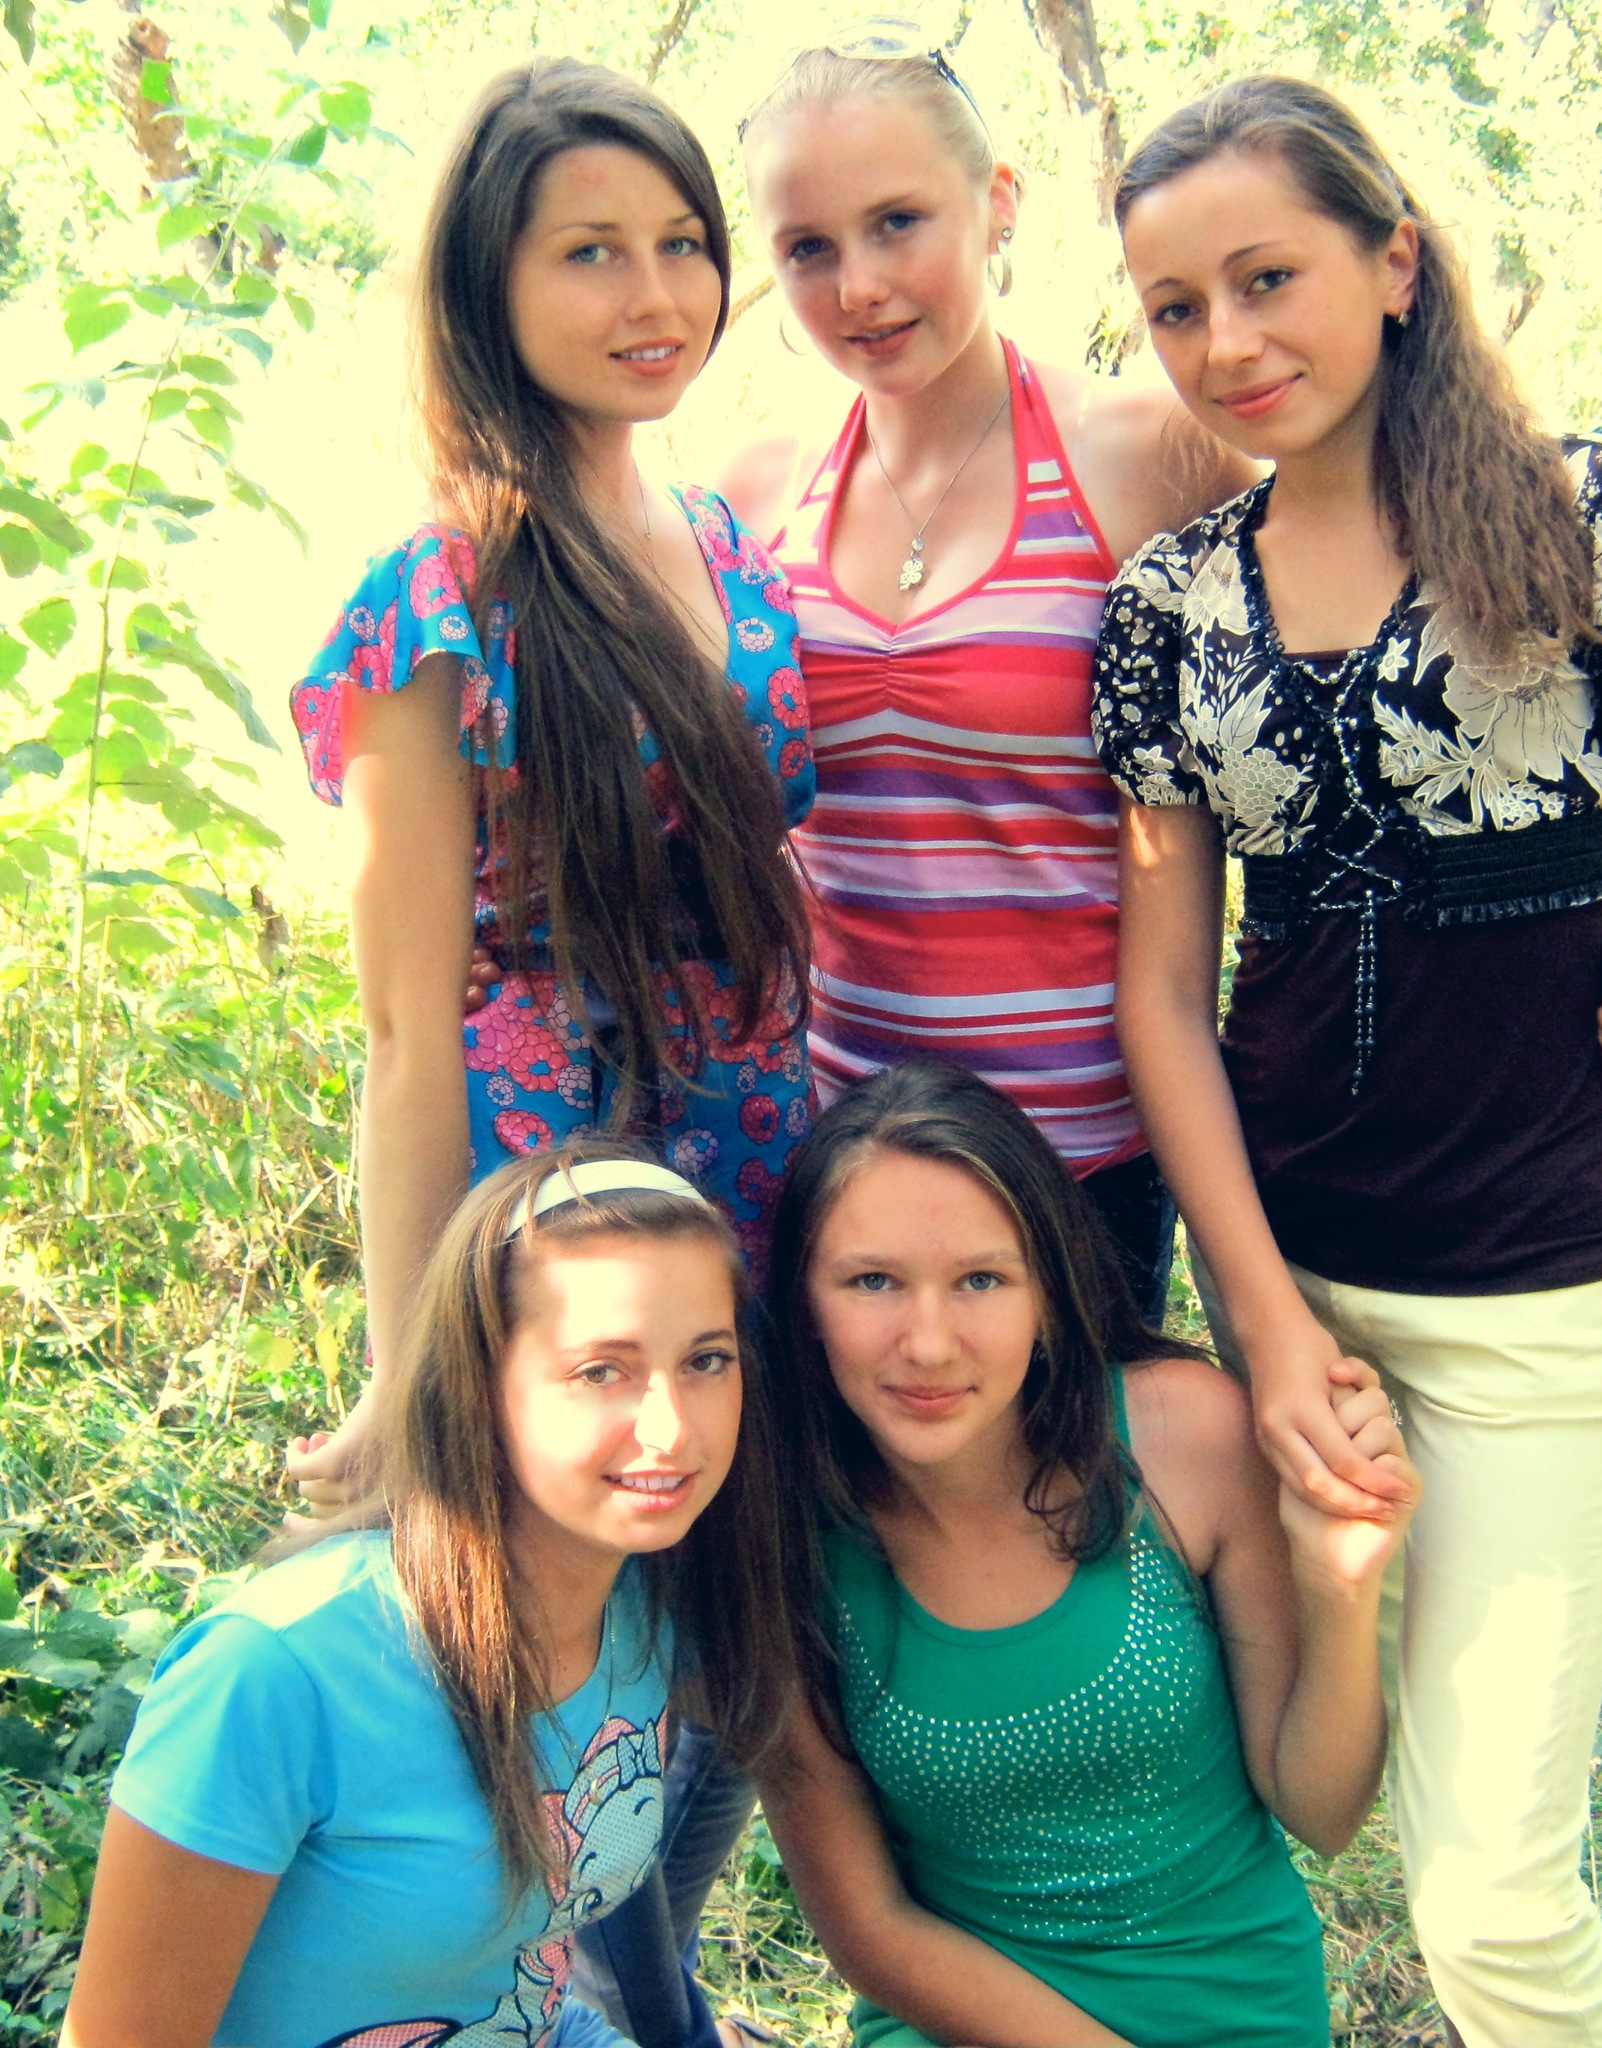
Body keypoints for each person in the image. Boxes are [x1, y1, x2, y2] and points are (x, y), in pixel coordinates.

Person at [1092, 76, 1602, 2048]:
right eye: (1174, 308)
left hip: (1533, 1298)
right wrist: (1259, 1320)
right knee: (1316, 1799)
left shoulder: (1589, 522)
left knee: (1490, 1889)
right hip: (1294, 1280)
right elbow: (1165, 997)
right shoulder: (1169, 609)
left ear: (1394, 260)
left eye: (1268, 278)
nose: (1228, 342)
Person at [284, 62, 804, 2048]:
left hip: (748, 1179)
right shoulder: (437, 599)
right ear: (488, 290)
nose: (652, 293)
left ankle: (642, 1999)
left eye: (681, 243)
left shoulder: (719, 539)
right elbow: (406, 1026)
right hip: (556, 1220)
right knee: (582, 1682)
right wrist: (403, 1368)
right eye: (589, 252)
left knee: (736, 1643)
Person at [719, 19, 1257, 1323]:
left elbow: (1346, 655)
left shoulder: (1144, 453)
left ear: (997, 201)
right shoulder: (753, 495)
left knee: (1092, 1461)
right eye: (808, 249)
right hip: (846, 1165)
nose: (858, 286)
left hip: (1084, 1160)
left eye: (897, 223)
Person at [63, 1146, 794, 2048]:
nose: (670, 1428)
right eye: (601, 1371)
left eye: (706, 1360)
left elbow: (518, 1988)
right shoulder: (274, 1674)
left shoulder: (645, 1608)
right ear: (479, 1382)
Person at [756, 1059, 1420, 2048]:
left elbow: (1321, 1810)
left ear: (1048, 1294)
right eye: (872, 1281)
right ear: (804, 1301)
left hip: (1229, 2010)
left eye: (981, 1279)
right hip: (960, 2018)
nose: (927, 1343)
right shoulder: (779, 1538)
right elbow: (870, 1928)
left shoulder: (1182, 1437)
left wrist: (1339, 1584)